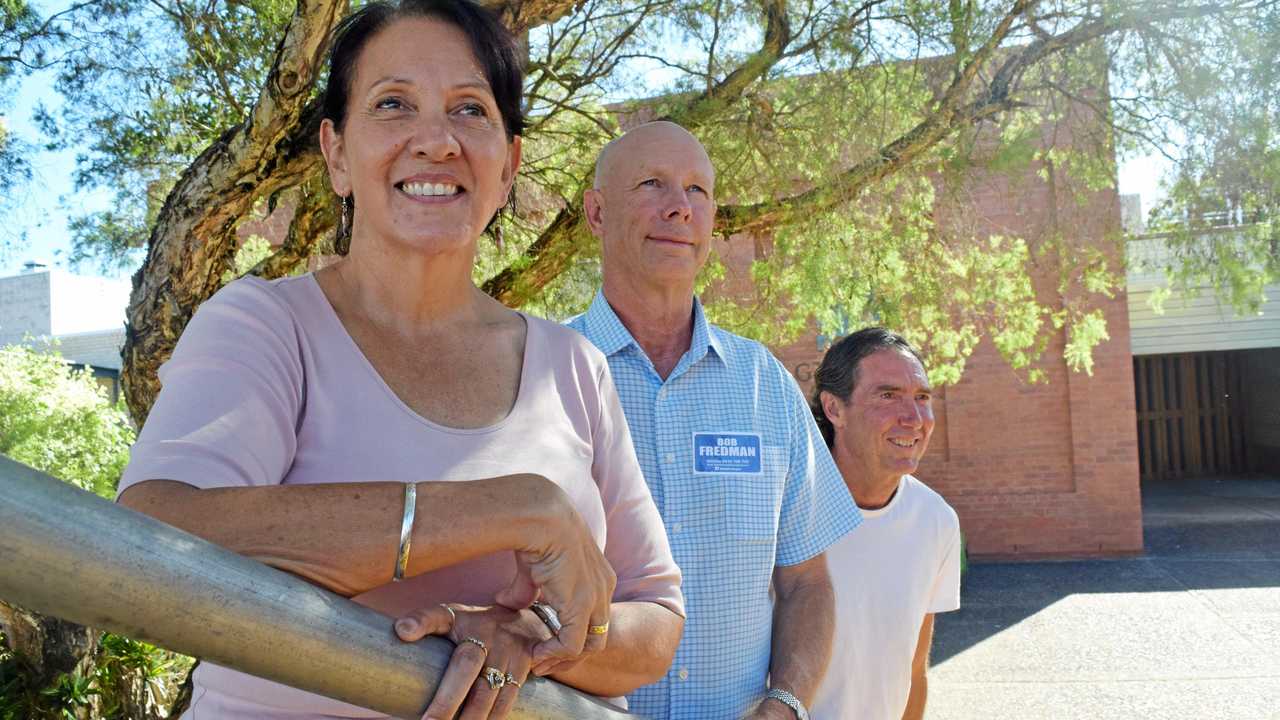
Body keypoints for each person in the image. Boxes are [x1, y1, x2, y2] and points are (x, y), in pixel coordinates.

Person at [115, 2, 684, 718]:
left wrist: (535, 637)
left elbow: (655, 619)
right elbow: (149, 547)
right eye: (393, 104)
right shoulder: (264, 324)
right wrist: (513, 509)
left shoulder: (572, 366)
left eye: (470, 110)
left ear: (507, 167)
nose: (436, 141)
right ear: (336, 153)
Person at [566, 121, 862, 720]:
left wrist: (785, 705)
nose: (680, 209)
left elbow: (808, 585)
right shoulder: (538, 373)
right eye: (653, 184)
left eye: (698, 191)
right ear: (596, 213)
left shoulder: (766, 385)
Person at [808, 328, 961, 720]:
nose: (913, 419)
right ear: (834, 409)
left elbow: (913, 670)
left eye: (922, 398)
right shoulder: (785, 510)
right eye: (888, 396)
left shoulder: (936, 520)